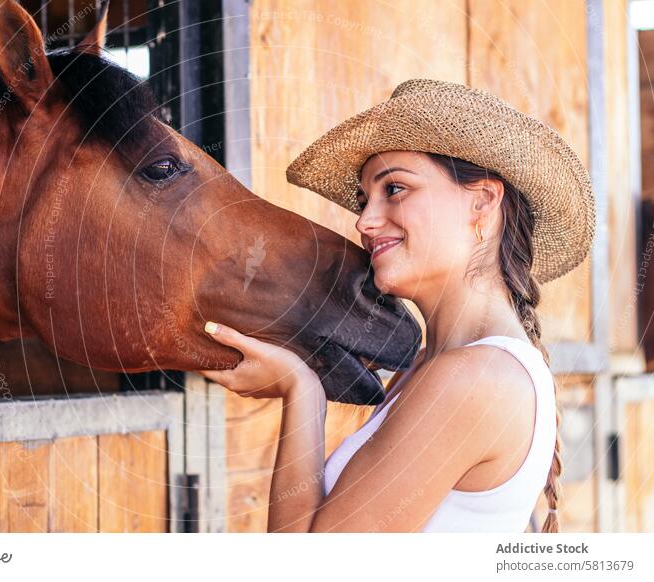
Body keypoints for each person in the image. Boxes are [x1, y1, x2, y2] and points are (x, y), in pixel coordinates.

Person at [198, 78, 595, 533]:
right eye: (366, 199)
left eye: (395, 189)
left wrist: (301, 389)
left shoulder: (474, 378)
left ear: (482, 203)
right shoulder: (433, 368)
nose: (364, 221)